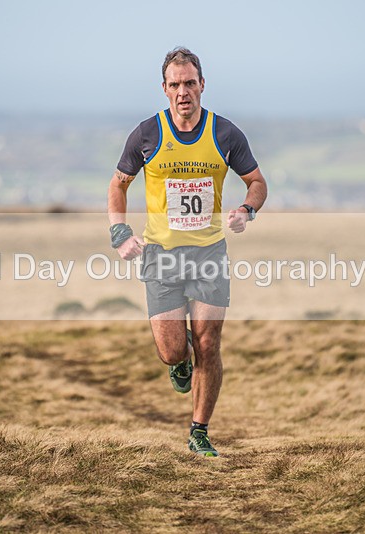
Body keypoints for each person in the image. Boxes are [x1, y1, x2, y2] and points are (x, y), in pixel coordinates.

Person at [108, 47, 267, 457]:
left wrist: (247, 209)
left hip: (209, 253)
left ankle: (199, 431)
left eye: (190, 83)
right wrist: (120, 232)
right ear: (164, 89)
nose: (183, 92)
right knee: (172, 349)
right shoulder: (147, 134)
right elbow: (118, 185)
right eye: (175, 84)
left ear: (202, 86)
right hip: (161, 255)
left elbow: (257, 181)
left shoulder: (225, 134)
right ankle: (179, 362)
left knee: (209, 343)